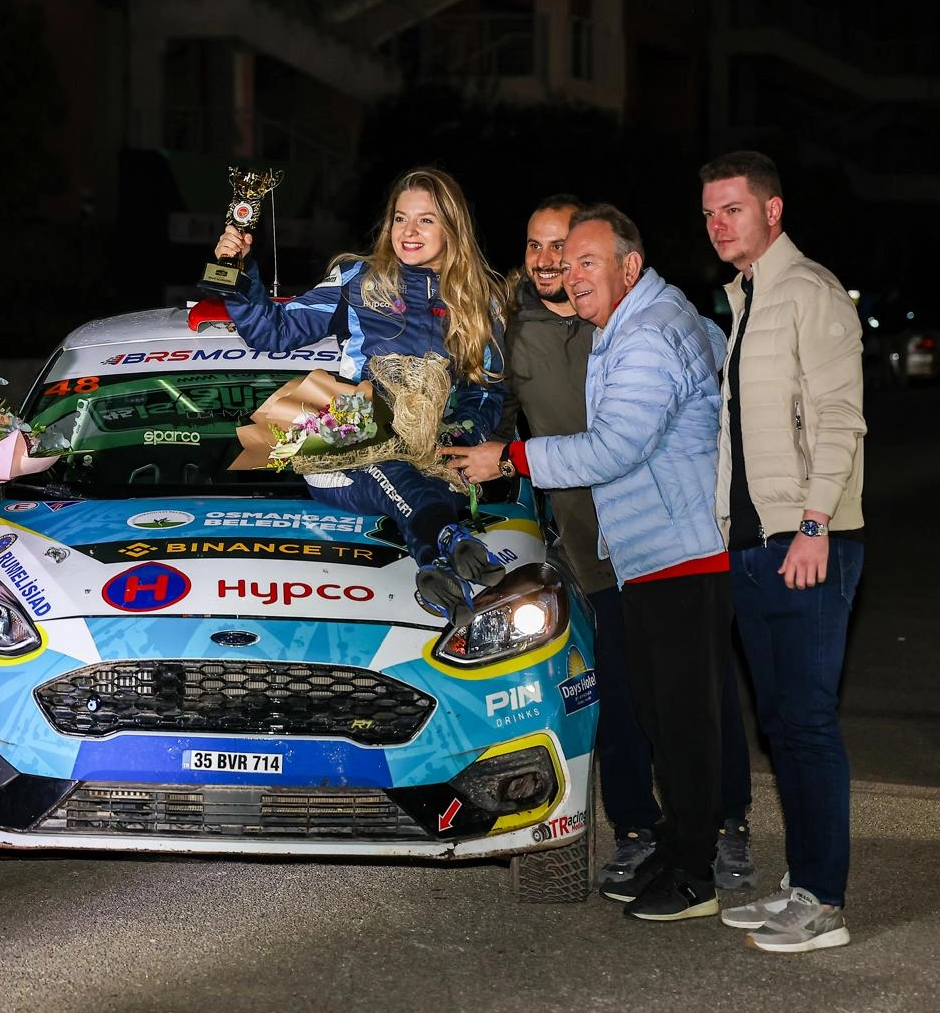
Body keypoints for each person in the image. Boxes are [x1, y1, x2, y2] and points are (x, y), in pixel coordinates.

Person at [444, 204, 731, 923]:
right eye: (564, 263)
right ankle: (677, 847)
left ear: (630, 267)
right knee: (661, 715)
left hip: (681, 553)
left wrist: (509, 458)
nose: (570, 275)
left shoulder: (648, 334)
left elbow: (613, 447)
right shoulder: (632, 323)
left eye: (586, 262)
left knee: (684, 723)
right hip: (651, 553)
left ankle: (696, 874)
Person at [699, 151, 866, 953]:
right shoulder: (747, 299)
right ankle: (802, 883)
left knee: (806, 721)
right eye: (708, 212)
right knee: (781, 723)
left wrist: (814, 523)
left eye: (732, 208)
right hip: (753, 544)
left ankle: (824, 902)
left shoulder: (809, 291)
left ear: (773, 211)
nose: (717, 224)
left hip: (807, 541)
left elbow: (840, 416)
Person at [212, 165, 506, 621]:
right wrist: (237, 269)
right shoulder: (359, 280)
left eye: (425, 220)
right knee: (393, 459)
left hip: (426, 454)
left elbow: (483, 394)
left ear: (452, 227)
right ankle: (445, 537)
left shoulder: (480, 301)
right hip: (343, 439)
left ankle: (435, 559)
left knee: (424, 475)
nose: (408, 231)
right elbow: (273, 332)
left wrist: (461, 439)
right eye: (400, 218)